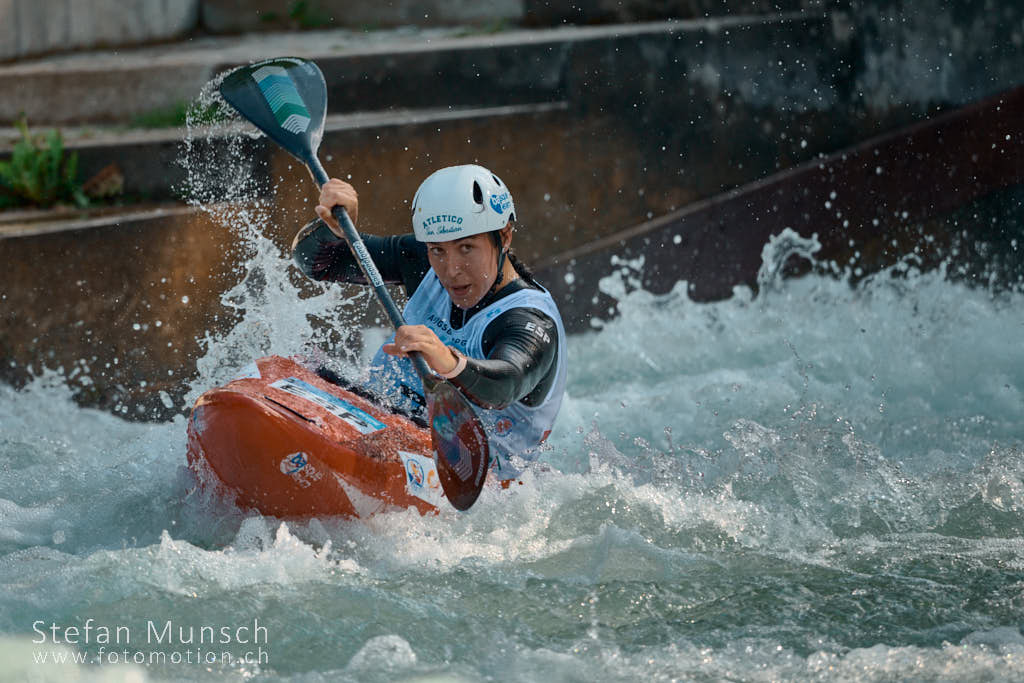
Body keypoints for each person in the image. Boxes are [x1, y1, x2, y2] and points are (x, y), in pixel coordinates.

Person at [291, 164, 567, 480]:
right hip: (381, 422)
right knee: (299, 367)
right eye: (438, 250)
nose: (451, 270)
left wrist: (448, 360)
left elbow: (506, 384)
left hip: (471, 475)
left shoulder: (530, 320)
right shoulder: (422, 261)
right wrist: (335, 228)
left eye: (466, 248)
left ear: (503, 236)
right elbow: (315, 262)